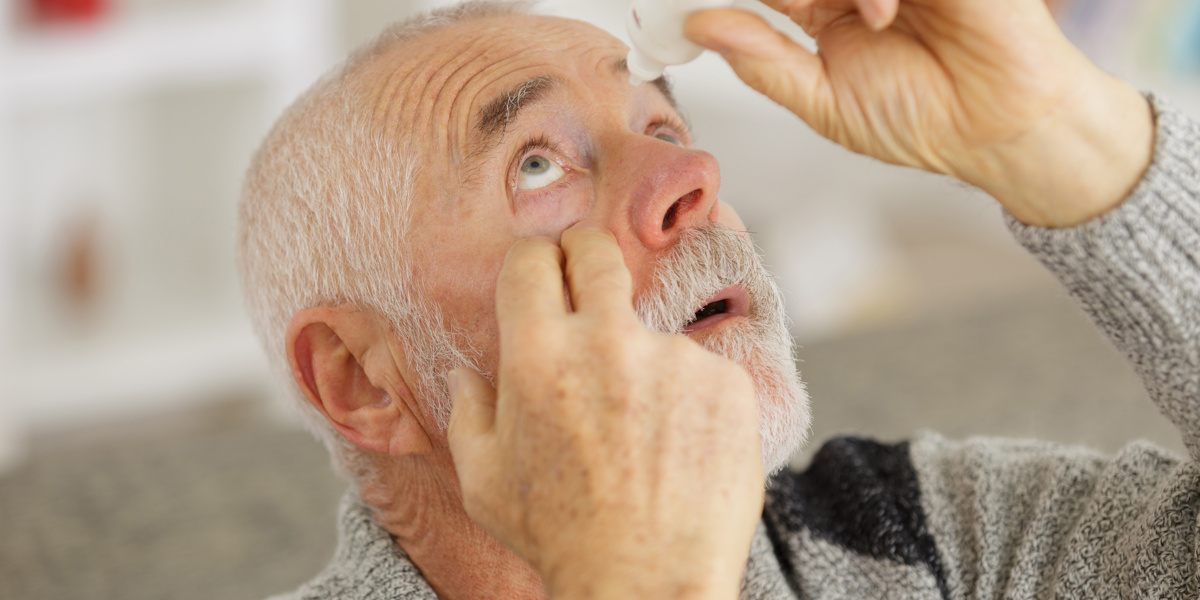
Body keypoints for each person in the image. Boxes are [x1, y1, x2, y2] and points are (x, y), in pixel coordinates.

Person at [236, 0, 1198, 598]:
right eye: (535, 163)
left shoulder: (921, 537)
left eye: (661, 120)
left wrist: (1072, 140)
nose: (692, 173)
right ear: (361, 382)